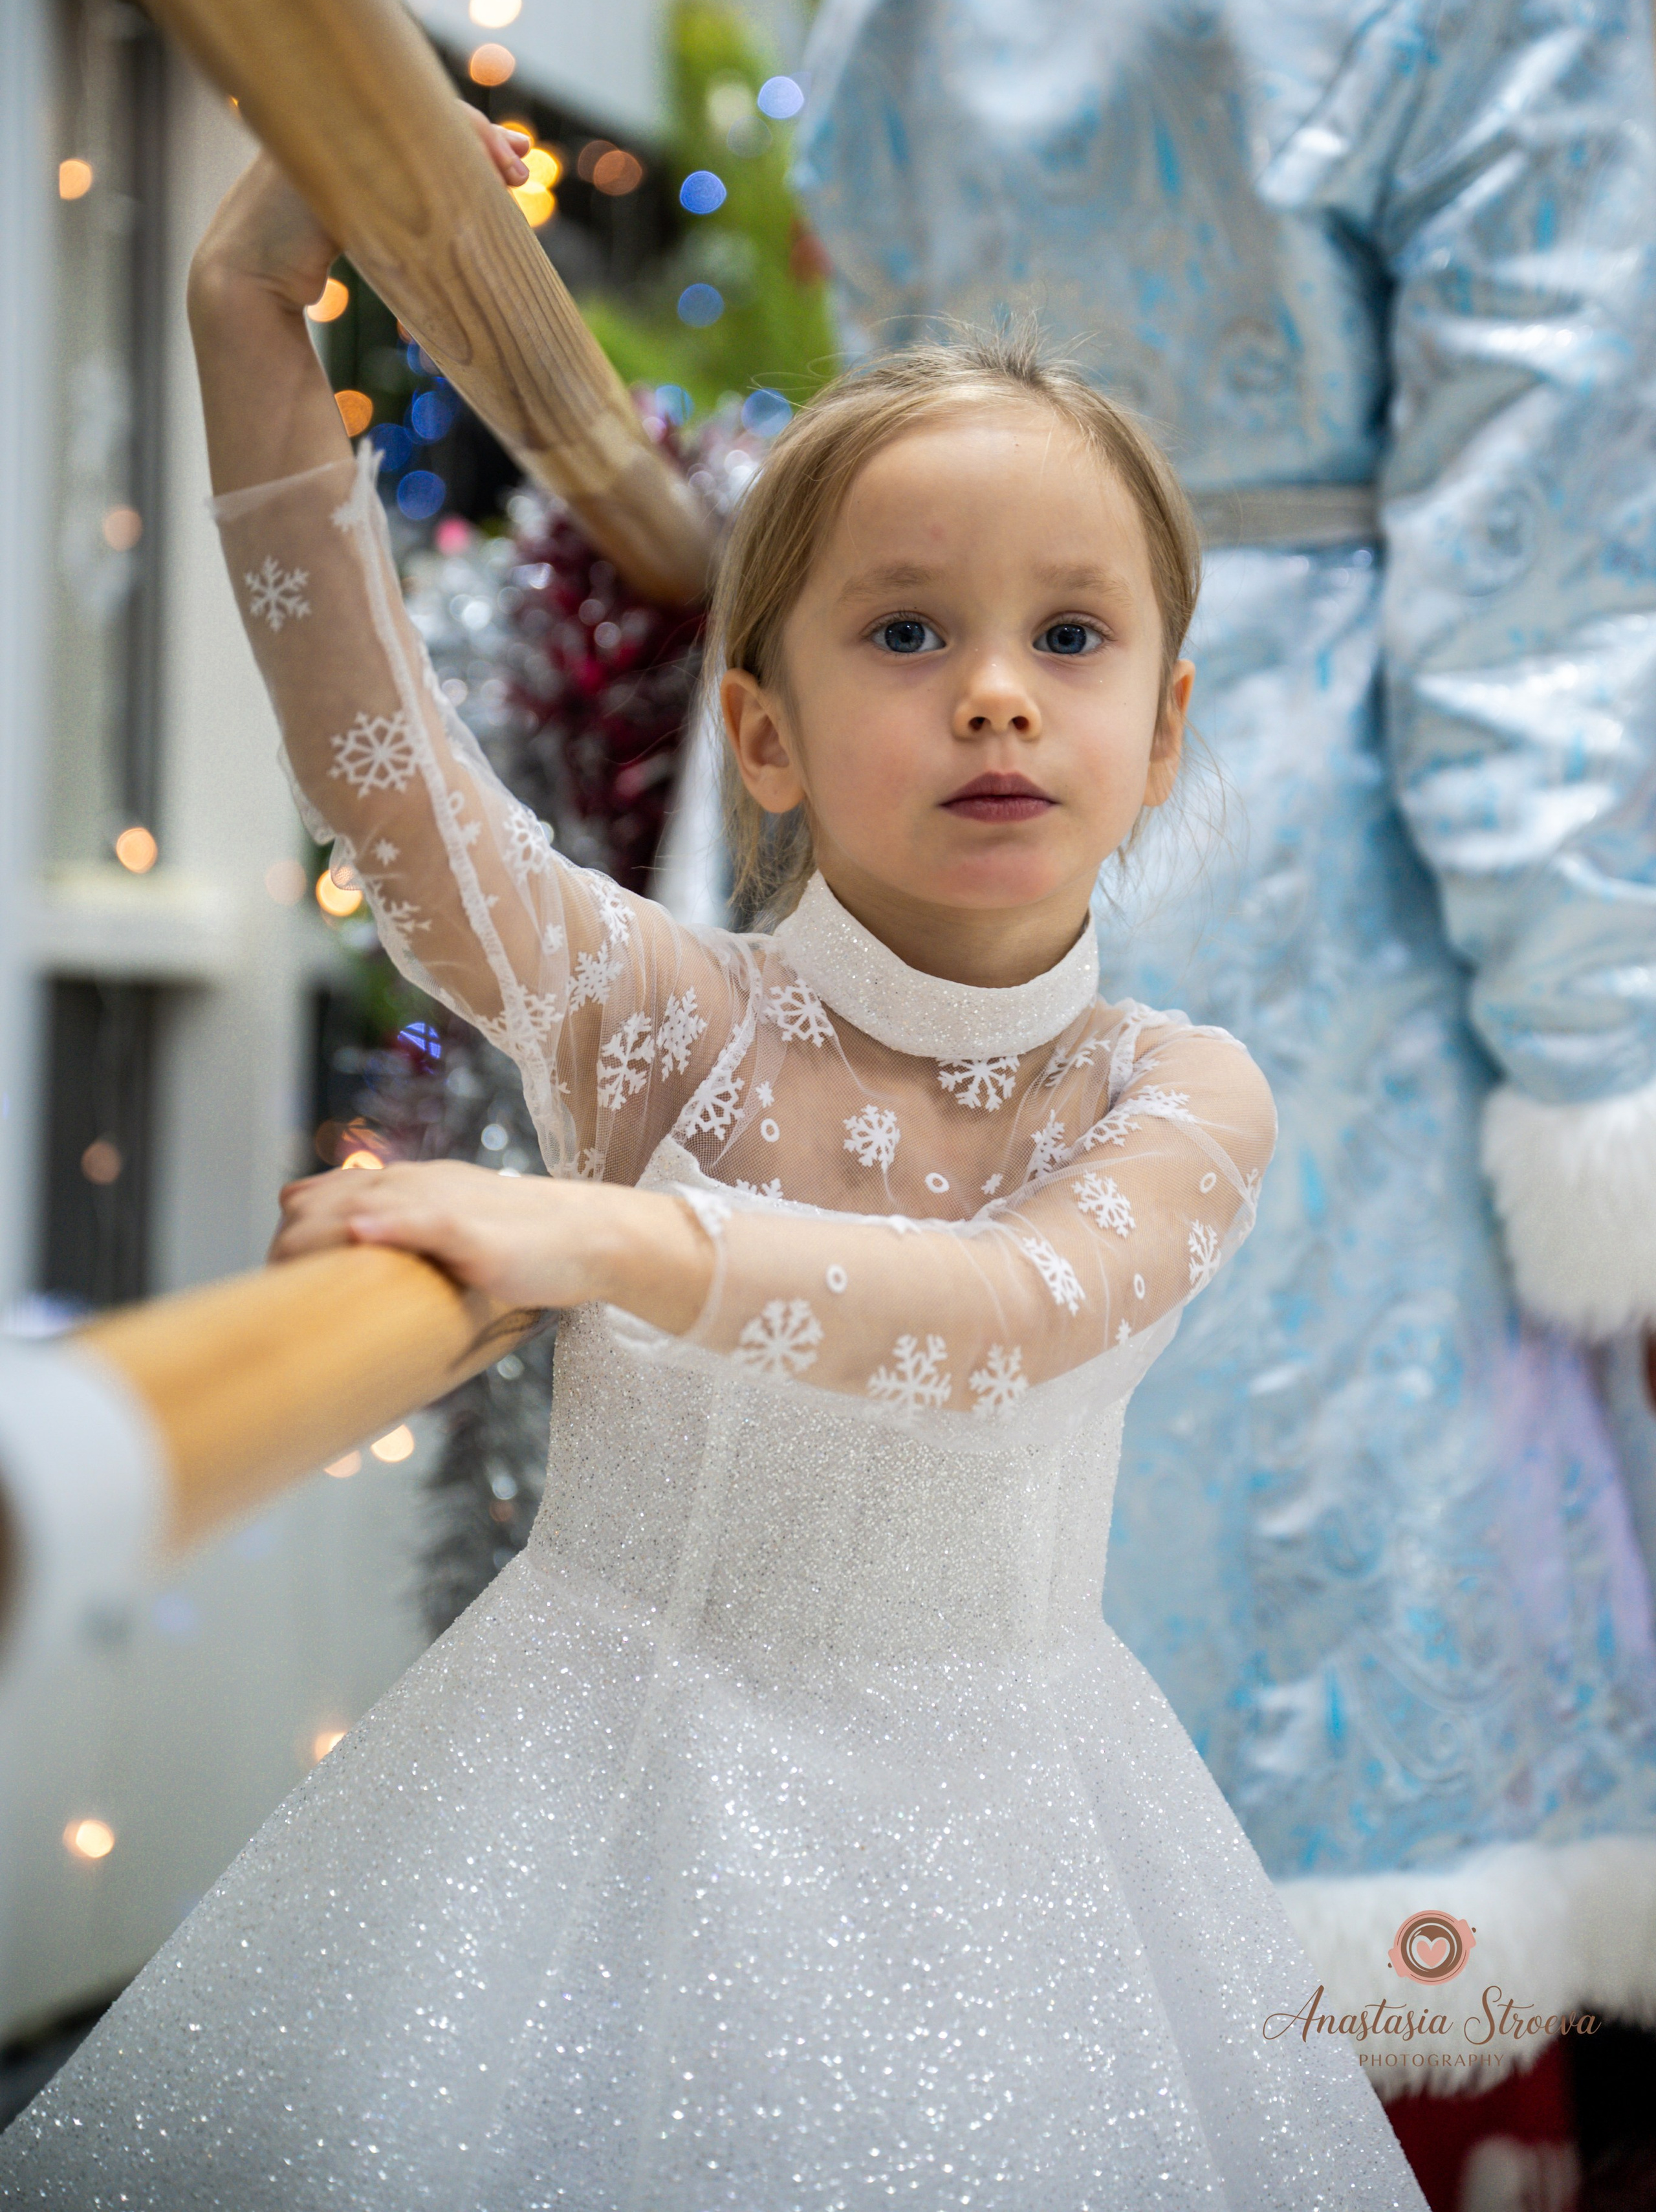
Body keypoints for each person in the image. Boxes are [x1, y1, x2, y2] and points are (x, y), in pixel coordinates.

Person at [0, 133, 1424, 2206]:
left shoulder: (1178, 1094)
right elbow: (385, 777)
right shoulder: (655, 1012)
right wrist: (242, 318)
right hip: (573, 1804)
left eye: (1075, 636)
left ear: (1171, 724)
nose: (1001, 689)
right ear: (761, 734)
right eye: (911, 632)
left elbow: (1014, 1313)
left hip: (1012, 1861)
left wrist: (599, 1233)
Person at [792, 0, 1656, 2065]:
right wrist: (1604, 1074)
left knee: (957, 1845)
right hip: (1333, 909)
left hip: (937, 879)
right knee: (1347, 1870)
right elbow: (1545, 576)